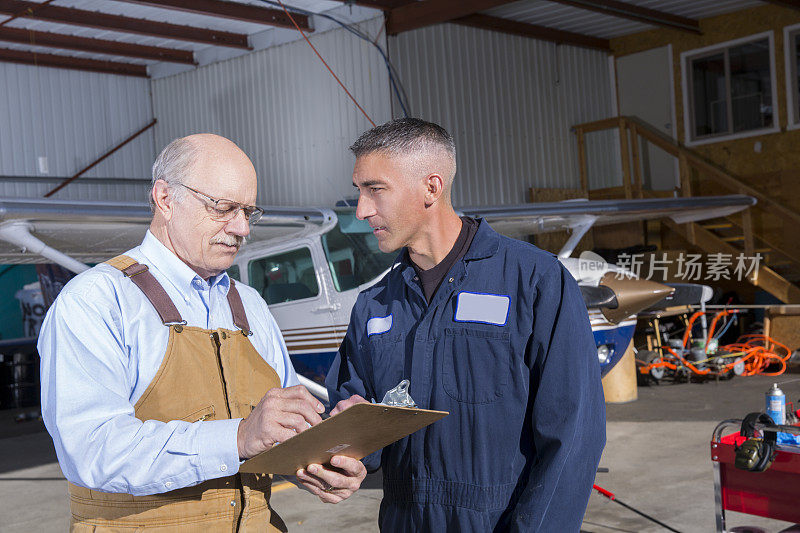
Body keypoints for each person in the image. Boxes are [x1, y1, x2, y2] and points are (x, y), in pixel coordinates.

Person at [39, 134, 366, 532]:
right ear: (164, 198)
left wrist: (320, 458)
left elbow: (277, 434)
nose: (242, 227)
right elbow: (92, 451)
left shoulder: (251, 306)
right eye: (224, 208)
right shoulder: (96, 301)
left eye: (248, 211)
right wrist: (240, 437)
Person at [326, 118, 606, 531]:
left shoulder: (534, 280)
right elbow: (352, 415)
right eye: (359, 191)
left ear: (431, 188)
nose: (362, 210)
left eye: (375, 189)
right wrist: (342, 458)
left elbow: (574, 434)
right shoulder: (373, 305)